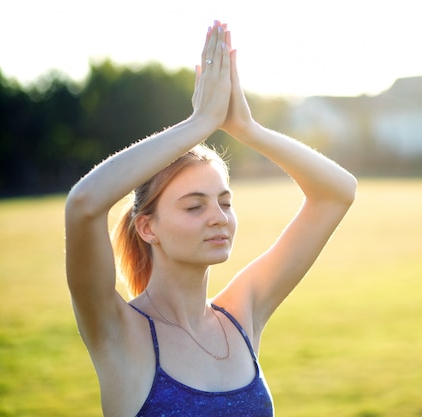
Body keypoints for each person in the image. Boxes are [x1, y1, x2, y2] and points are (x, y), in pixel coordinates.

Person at [64, 20, 357, 417]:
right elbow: (84, 205)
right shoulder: (118, 330)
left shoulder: (242, 313)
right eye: (194, 206)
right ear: (148, 227)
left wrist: (247, 129)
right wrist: (198, 125)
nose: (218, 217)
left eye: (224, 202)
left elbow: (337, 193)